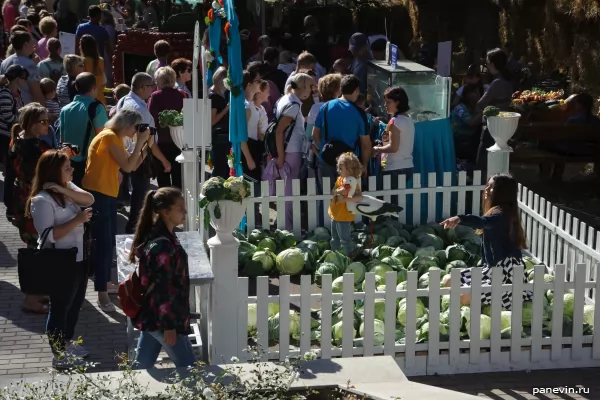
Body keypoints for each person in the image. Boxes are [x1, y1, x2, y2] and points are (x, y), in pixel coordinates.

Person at [27, 150, 95, 369]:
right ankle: (58, 354)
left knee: (74, 305)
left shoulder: (67, 188)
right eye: (67, 167)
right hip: (58, 261)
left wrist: (64, 188)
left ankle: (66, 343)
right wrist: (77, 220)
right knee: (60, 308)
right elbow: (48, 235)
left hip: (79, 258)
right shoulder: (41, 200)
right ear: (54, 171)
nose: (72, 170)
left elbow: (89, 199)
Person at [82, 108, 150, 313]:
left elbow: (133, 164)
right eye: (135, 128)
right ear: (127, 125)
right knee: (103, 245)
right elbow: (128, 167)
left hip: (106, 194)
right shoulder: (110, 137)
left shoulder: (114, 138)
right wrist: (140, 142)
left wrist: (146, 146)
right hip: (99, 195)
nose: (135, 132)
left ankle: (102, 282)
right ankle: (101, 293)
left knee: (108, 242)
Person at [440, 173, 533, 310]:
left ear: (502, 192)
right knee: (448, 280)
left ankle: (486, 305)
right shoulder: (496, 211)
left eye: (492, 187)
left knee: (463, 297)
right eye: (487, 186)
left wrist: (460, 218)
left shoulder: (502, 214)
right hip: (489, 271)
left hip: (505, 275)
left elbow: (483, 222)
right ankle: (480, 302)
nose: (487, 190)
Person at [130, 187, 196, 370]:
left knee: (141, 370)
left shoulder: (163, 236)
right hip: (165, 321)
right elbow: (163, 289)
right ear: (165, 212)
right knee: (191, 371)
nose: (185, 212)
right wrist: (169, 327)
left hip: (153, 317)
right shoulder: (163, 248)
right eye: (180, 208)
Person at [117, 71, 170, 232]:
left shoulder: (123, 100)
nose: (153, 89)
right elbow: (150, 141)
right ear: (142, 88)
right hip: (138, 156)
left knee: (137, 194)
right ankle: (134, 230)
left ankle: (134, 228)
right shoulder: (140, 109)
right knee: (140, 197)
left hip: (128, 153)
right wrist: (164, 161)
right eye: (151, 86)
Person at [269, 72, 313, 230]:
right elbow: (279, 131)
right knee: (289, 191)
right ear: (302, 87)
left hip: (288, 151)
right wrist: (281, 155)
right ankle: (287, 226)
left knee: (286, 190)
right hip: (291, 152)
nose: (311, 90)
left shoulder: (285, 99)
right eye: (309, 86)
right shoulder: (294, 105)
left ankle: (285, 224)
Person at [312, 74, 371, 189]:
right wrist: (365, 165)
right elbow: (365, 144)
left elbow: (315, 134)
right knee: (347, 200)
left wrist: (324, 149)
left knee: (326, 199)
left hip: (326, 159)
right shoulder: (359, 113)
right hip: (349, 162)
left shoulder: (325, 107)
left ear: (341, 89)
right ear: (357, 90)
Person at [60, 72, 109, 187]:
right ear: (94, 87)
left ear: (76, 87)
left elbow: (62, 138)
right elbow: (102, 138)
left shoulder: (65, 109)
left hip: (69, 162)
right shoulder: (97, 107)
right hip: (89, 163)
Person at [373, 87, 414, 203]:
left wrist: (377, 149)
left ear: (398, 102)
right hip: (407, 166)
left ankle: (388, 221)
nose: (385, 105)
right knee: (394, 202)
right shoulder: (408, 119)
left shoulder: (395, 121)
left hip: (394, 167)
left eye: (388, 102)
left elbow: (393, 147)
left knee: (386, 203)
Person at [475, 48, 514, 171]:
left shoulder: (497, 83)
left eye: (487, 62)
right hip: (505, 127)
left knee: (482, 162)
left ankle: (480, 185)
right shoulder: (509, 81)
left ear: (492, 64)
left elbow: (480, 104)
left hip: (492, 125)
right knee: (499, 161)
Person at [147, 67, 185, 189]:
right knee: (178, 178)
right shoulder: (181, 95)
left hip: (161, 142)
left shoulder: (155, 96)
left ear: (160, 80)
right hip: (179, 141)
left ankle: (165, 204)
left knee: (163, 178)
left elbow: (150, 118)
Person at [0, 64, 28, 220]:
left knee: (14, 171)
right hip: (5, 137)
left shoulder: (18, 93)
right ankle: (9, 206)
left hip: (14, 136)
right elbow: (8, 117)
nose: (26, 82)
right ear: (17, 79)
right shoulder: (5, 94)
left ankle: (13, 205)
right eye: (24, 78)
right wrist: (24, 118)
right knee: (10, 172)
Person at [328, 152, 363, 255]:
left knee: (345, 240)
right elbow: (332, 192)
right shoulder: (340, 180)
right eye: (338, 168)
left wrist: (345, 200)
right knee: (334, 239)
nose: (338, 170)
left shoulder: (353, 182)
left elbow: (359, 197)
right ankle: (335, 255)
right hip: (334, 213)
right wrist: (337, 192)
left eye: (341, 168)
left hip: (344, 216)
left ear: (350, 170)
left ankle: (348, 256)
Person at [0, 31, 44, 105]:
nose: (33, 44)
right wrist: (44, 110)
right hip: (27, 109)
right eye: (31, 42)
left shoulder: (4, 62)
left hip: (9, 106)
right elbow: (36, 92)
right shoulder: (30, 65)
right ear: (25, 45)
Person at [241, 69, 263, 185]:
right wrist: (249, 158)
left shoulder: (250, 105)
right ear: (249, 84)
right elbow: (241, 136)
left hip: (253, 147)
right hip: (249, 149)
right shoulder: (247, 107)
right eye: (258, 81)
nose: (261, 83)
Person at [208, 66, 230, 179]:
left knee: (221, 167)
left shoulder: (214, 93)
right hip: (217, 137)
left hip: (219, 137)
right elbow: (212, 120)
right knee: (220, 168)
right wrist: (226, 108)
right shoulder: (214, 97)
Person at [451, 83, 483, 161]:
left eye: (479, 93)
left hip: (471, 140)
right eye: (475, 92)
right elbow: (471, 123)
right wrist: (483, 112)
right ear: (467, 94)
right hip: (459, 141)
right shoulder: (460, 108)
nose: (478, 95)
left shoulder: (476, 107)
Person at [79, 34, 107, 107]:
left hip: (86, 101)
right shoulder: (101, 61)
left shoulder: (82, 61)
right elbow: (104, 81)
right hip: (100, 100)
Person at [100, 9, 116, 88]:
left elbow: (110, 42)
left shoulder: (109, 27)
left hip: (107, 51)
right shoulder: (103, 26)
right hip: (104, 51)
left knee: (108, 73)